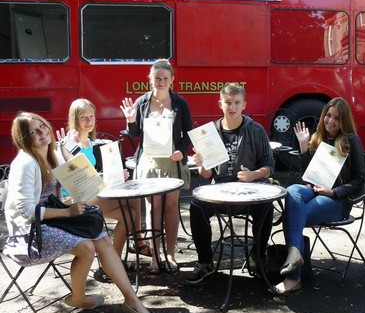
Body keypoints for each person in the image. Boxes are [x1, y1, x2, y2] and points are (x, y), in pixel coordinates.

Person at [3, 112, 155, 313]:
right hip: (29, 232)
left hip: (52, 219)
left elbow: (83, 184)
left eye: (42, 126)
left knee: (100, 236)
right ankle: (79, 297)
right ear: (24, 139)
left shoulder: (52, 154)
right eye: (33, 132)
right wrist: (67, 212)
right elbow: (26, 211)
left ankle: (131, 299)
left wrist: (68, 154)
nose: (42, 133)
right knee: (86, 247)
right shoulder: (26, 163)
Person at [185, 82, 275, 284]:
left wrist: (253, 175)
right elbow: (206, 175)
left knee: (266, 206)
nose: (232, 108)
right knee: (196, 206)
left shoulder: (255, 129)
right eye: (228, 103)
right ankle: (205, 262)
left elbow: (269, 165)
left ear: (244, 104)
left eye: (236, 103)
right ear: (220, 104)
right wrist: (201, 163)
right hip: (220, 193)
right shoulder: (209, 133)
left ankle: (258, 258)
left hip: (249, 192)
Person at [279, 97, 365, 293]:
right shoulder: (319, 138)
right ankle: (295, 254)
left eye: (337, 118)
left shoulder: (351, 140)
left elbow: (360, 178)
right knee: (293, 191)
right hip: (314, 189)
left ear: (344, 121)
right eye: (328, 115)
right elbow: (308, 175)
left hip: (336, 200)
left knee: (293, 215)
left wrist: (334, 192)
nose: (331, 121)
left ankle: (294, 277)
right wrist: (303, 146)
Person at [120, 59, 193, 274]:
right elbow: (134, 135)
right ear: (150, 79)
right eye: (157, 78)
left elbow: (188, 134)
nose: (161, 82)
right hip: (149, 162)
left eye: (165, 78)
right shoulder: (141, 102)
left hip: (172, 161)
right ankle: (155, 256)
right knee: (153, 209)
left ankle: (169, 254)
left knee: (171, 207)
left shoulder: (180, 103)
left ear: (172, 80)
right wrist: (130, 120)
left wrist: (182, 151)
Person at [57, 98, 142, 267]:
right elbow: (74, 177)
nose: (89, 121)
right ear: (75, 119)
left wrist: (117, 175)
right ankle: (138, 245)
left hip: (92, 194)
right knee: (132, 199)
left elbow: (93, 176)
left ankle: (113, 263)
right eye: (83, 117)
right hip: (74, 201)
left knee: (131, 212)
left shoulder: (90, 143)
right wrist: (69, 150)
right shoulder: (68, 143)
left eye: (91, 116)